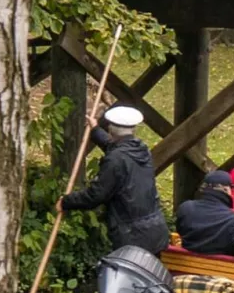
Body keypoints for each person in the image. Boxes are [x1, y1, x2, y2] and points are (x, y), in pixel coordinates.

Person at [60, 105, 170, 254]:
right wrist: (95, 129)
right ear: (133, 130)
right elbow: (114, 146)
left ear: (111, 130)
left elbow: (96, 195)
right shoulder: (141, 150)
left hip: (133, 236)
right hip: (156, 229)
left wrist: (66, 202)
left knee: (131, 277)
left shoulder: (116, 160)